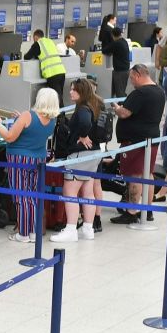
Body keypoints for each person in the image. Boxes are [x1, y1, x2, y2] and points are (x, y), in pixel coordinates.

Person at [0, 89, 59, 242]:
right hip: (39, 159)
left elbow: (9, 137)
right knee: (33, 195)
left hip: (19, 159)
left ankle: (23, 233)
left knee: (21, 196)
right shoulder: (53, 119)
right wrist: (21, 120)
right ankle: (33, 232)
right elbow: (34, 130)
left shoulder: (28, 115)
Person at [110, 65, 165, 225]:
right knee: (147, 174)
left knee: (134, 176)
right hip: (151, 138)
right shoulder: (159, 91)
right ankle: (147, 210)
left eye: (132, 78)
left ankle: (132, 212)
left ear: (138, 74)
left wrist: (117, 108)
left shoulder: (140, 93)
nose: (131, 82)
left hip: (136, 142)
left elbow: (125, 113)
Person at [50, 79, 102, 242]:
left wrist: (83, 135)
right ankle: (88, 228)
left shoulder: (83, 109)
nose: (71, 92)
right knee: (88, 192)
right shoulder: (95, 104)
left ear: (82, 92)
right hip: (93, 155)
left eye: (74, 90)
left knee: (69, 192)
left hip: (79, 156)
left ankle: (71, 229)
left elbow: (85, 122)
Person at [27, 27, 68, 98]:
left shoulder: (37, 44)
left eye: (33, 39)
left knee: (55, 99)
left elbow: (27, 56)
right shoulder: (50, 41)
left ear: (36, 37)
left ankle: (59, 109)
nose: (34, 41)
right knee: (60, 96)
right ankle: (62, 109)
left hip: (52, 74)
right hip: (61, 72)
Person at [100, 14, 132, 96]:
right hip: (125, 69)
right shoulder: (124, 41)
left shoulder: (116, 43)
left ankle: (122, 107)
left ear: (113, 35)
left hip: (120, 72)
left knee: (119, 92)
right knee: (120, 90)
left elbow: (104, 50)